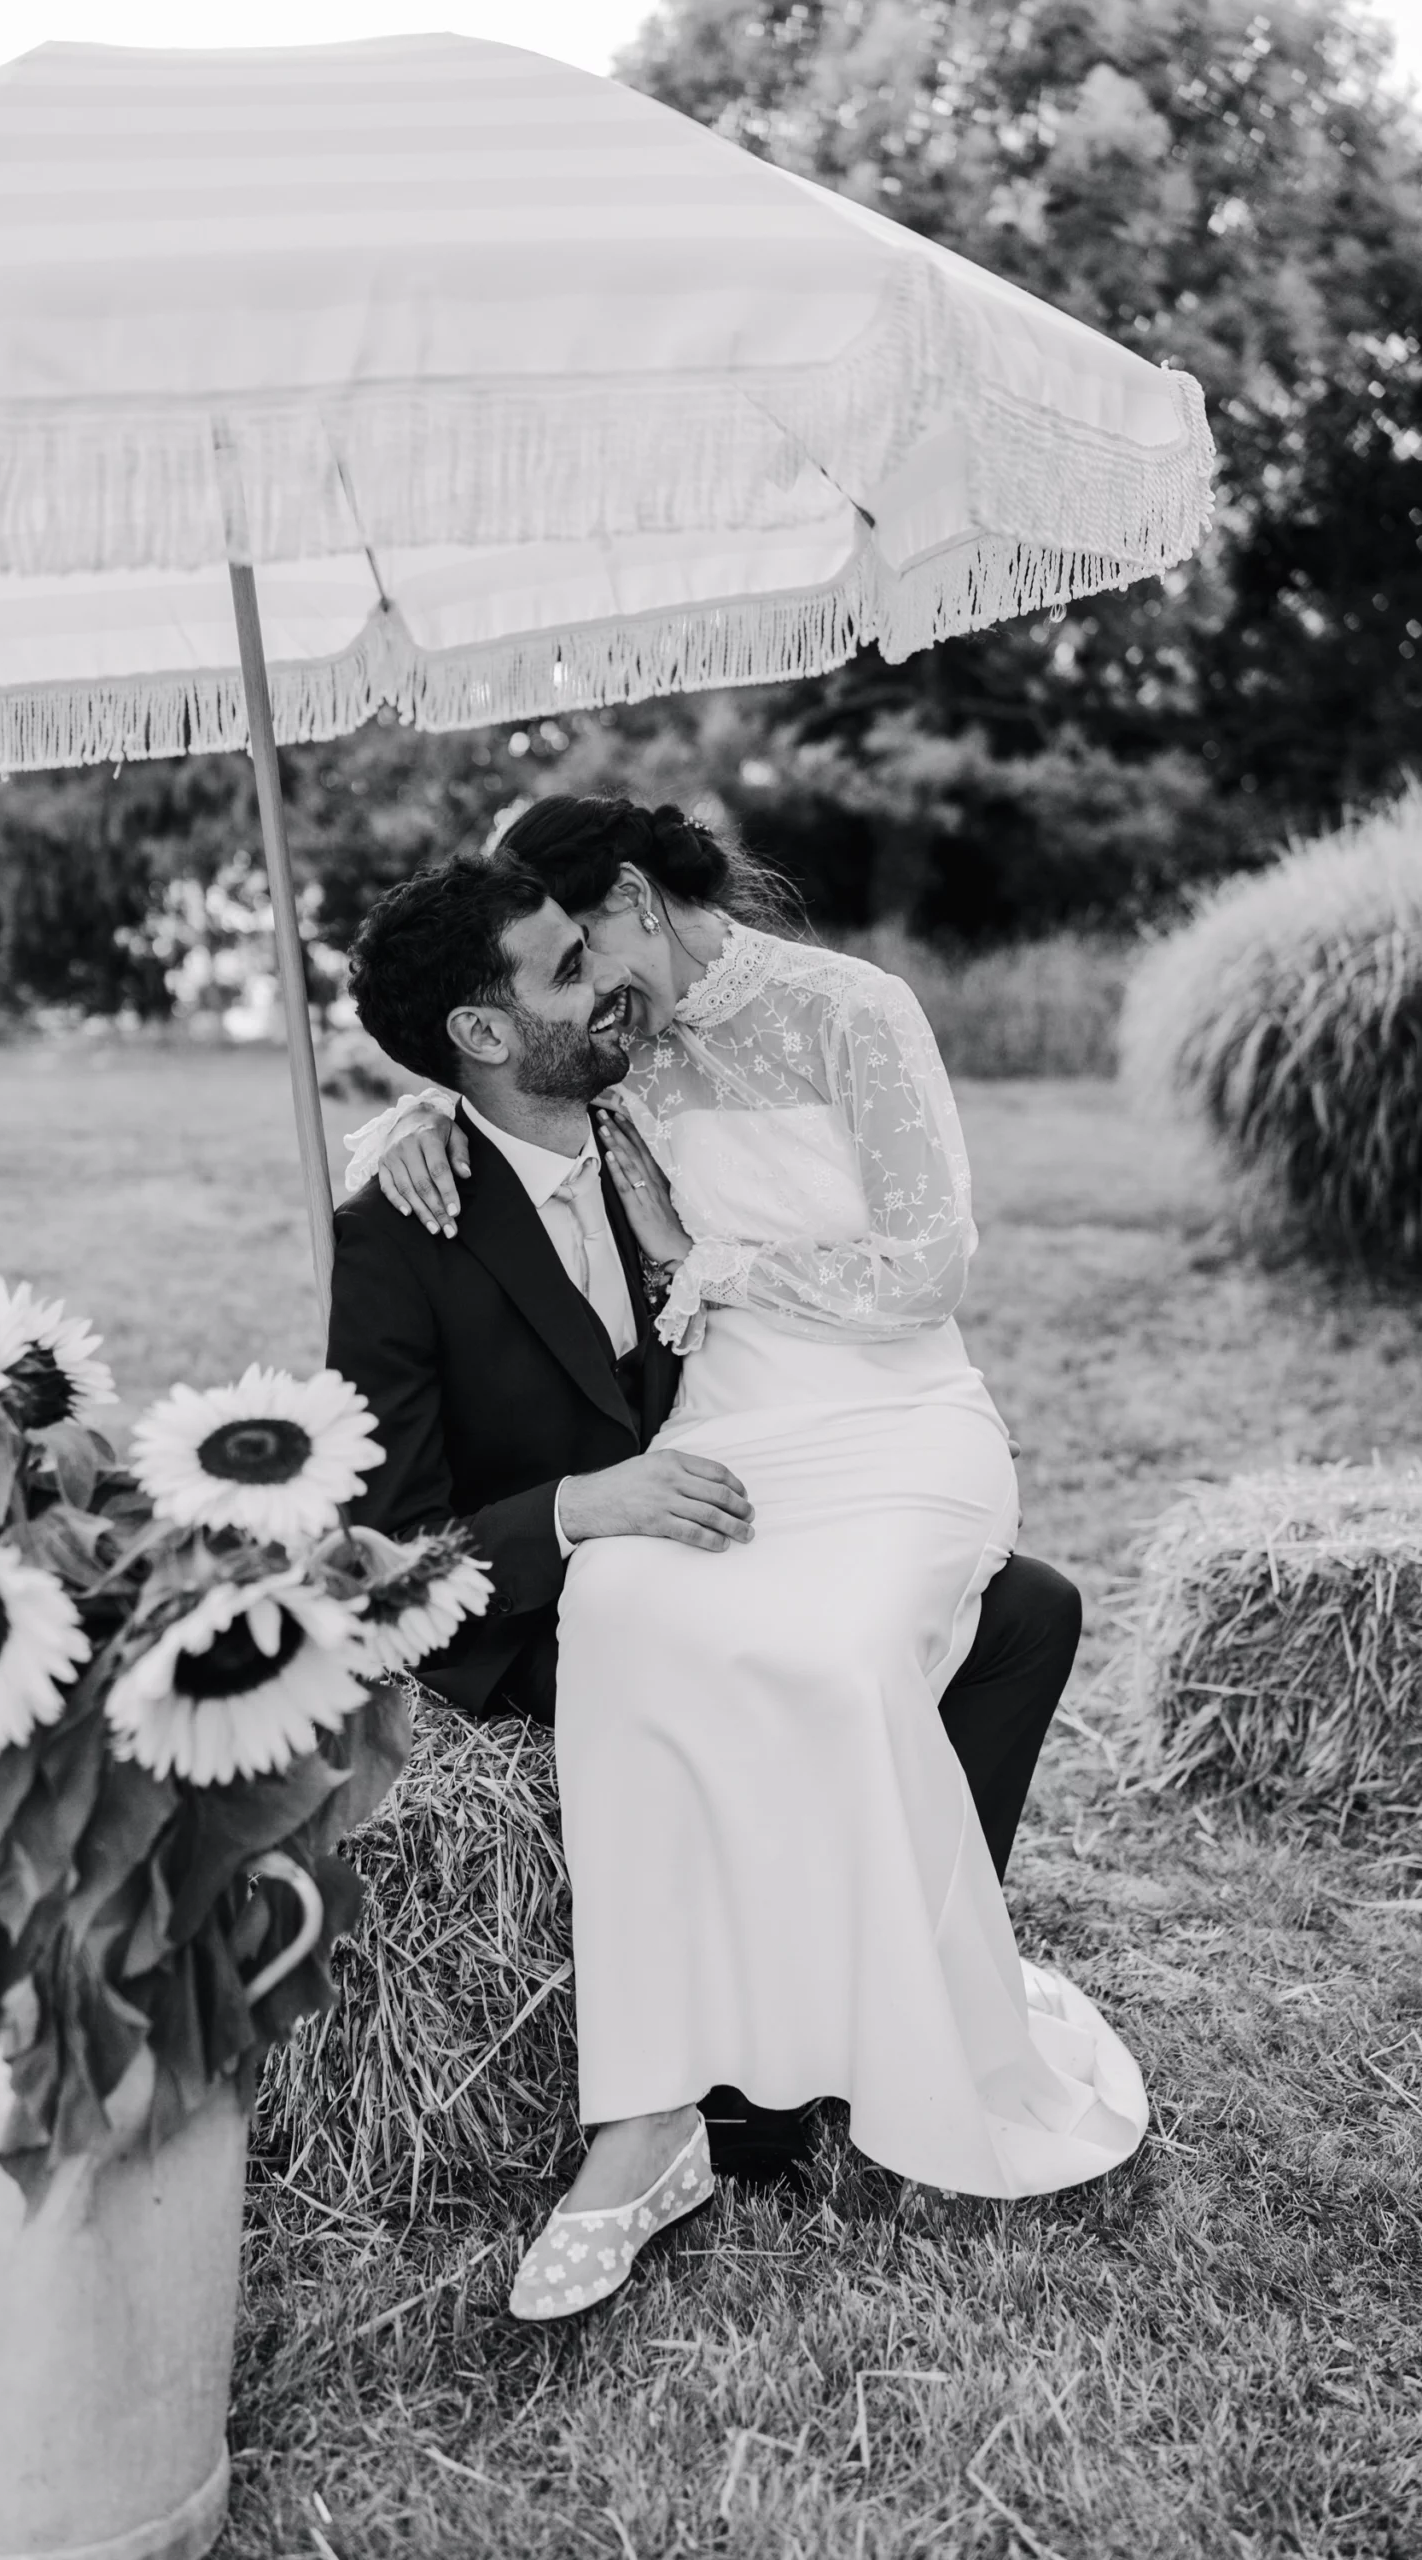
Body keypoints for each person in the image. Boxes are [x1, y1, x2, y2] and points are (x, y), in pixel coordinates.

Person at [335, 807, 1146, 2321]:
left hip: (889, 1419)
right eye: (564, 973)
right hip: (720, 1447)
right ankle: (647, 2121)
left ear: (634, 901)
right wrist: (408, 1118)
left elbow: (930, 1266)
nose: (599, 994)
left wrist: (707, 1263)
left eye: (585, 950)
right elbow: (500, 1094)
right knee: (626, 1609)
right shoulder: (566, 1087)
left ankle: (865, 2037)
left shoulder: (829, 1013)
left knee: (858, 1653)